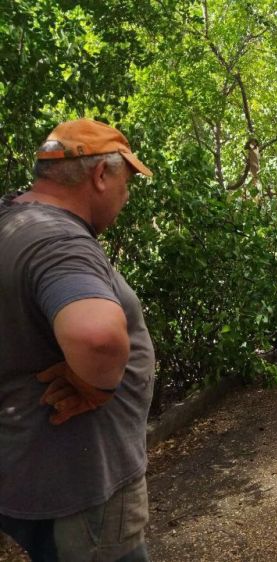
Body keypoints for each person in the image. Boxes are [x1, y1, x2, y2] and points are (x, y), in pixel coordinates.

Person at [0, 119, 155, 561]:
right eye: (126, 182)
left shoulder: (11, 220)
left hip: (30, 468)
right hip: (81, 488)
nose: (126, 196)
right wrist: (96, 385)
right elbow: (97, 337)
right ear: (101, 175)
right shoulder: (58, 241)